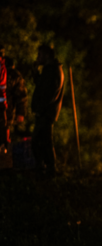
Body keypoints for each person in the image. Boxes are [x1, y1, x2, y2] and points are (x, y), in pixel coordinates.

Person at [31, 44, 64, 176]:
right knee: (42, 141)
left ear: (46, 55)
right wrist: (35, 72)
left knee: (40, 141)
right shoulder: (49, 70)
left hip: (46, 112)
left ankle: (48, 169)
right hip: (45, 111)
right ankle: (46, 168)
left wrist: (40, 108)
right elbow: (41, 86)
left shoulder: (53, 71)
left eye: (40, 55)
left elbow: (49, 94)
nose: (38, 58)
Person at [4, 57, 28, 132]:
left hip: (6, 112)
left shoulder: (14, 76)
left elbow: (21, 96)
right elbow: (21, 96)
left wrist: (20, 113)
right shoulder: (15, 76)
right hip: (6, 112)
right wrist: (21, 113)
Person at [0, 46, 7, 153]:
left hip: (1, 103)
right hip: (2, 102)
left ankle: (3, 147)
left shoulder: (2, 68)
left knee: (2, 126)